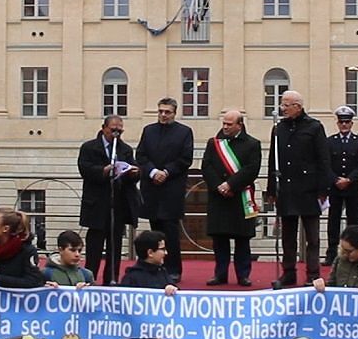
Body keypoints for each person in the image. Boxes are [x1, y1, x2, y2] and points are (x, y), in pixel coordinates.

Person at [266, 91, 332, 288]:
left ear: (298, 106)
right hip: (286, 188)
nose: (283, 109)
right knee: (287, 235)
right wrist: (271, 189)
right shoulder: (278, 128)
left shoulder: (314, 127)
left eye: (287, 105)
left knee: (312, 237)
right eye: (282, 105)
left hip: (309, 189)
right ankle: (288, 273)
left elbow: (323, 158)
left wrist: (323, 188)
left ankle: (313, 274)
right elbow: (273, 159)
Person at [78, 115, 142, 285]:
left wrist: (134, 173)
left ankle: (111, 279)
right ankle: (90, 279)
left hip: (117, 204)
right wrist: (103, 171)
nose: (117, 133)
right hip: (97, 204)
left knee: (115, 246)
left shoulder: (125, 149)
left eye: (120, 130)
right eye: (113, 129)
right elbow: (85, 169)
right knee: (94, 247)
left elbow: (132, 169)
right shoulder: (89, 147)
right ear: (104, 128)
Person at [200, 109, 261, 287]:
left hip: (240, 196)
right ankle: (220, 274)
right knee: (219, 239)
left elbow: (252, 169)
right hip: (218, 196)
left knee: (242, 239)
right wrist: (219, 185)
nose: (225, 127)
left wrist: (231, 185)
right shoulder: (214, 143)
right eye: (224, 123)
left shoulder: (252, 144)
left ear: (239, 125)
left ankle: (243, 275)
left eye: (229, 124)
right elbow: (207, 166)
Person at [136, 98, 194, 283]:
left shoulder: (184, 132)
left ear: (174, 113)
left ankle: (173, 269)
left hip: (172, 188)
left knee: (171, 232)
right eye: (160, 111)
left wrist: (167, 172)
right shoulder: (149, 130)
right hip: (152, 187)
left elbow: (186, 159)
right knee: (155, 230)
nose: (163, 115)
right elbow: (141, 155)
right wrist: (152, 171)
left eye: (167, 112)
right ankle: (154, 266)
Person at [324, 105, 358, 266]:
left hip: (352, 186)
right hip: (335, 187)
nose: (344, 125)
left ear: (351, 124)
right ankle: (331, 252)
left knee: (353, 220)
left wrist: (349, 179)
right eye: (341, 122)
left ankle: (354, 251)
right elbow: (326, 164)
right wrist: (336, 179)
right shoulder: (330, 142)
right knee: (333, 220)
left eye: (347, 122)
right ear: (338, 123)